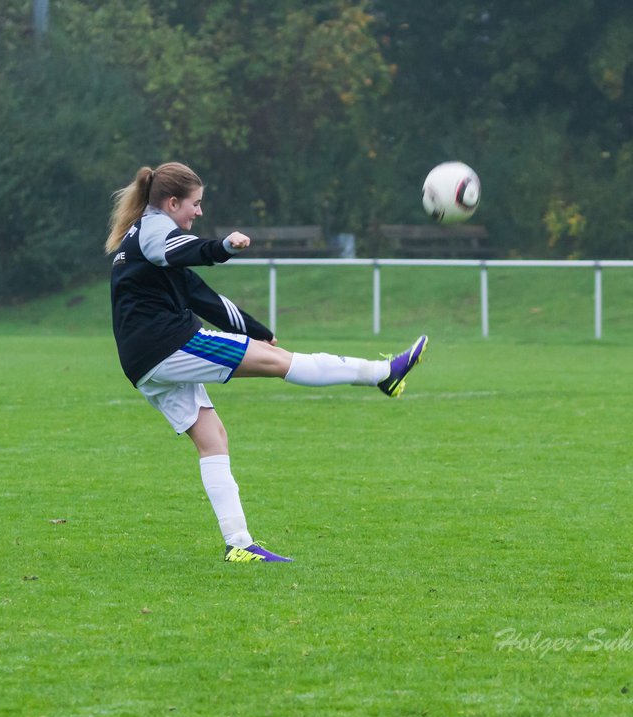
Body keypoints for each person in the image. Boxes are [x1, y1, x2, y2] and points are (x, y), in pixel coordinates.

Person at [106, 162, 427, 563]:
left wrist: (255, 329)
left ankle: (238, 544)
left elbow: (201, 296)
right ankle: (383, 374)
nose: (199, 212)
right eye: (195, 204)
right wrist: (222, 247)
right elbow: (182, 250)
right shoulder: (156, 231)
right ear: (172, 203)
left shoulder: (143, 236)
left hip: (146, 362)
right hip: (167, 347)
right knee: (279, 362)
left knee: (212, 439)